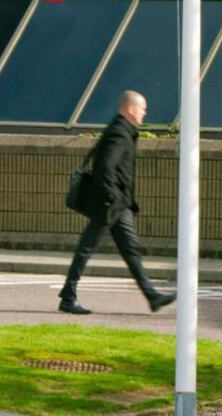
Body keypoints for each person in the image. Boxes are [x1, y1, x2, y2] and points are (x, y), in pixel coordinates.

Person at [58, 90, 176, 315]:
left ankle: (152, 296)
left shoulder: (122, 131)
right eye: (142, 109)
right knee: (87, 248)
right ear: (131, 110)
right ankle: (68, 297)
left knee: (129, 250)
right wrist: (113, 197)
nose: (144, 113)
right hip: (111, 204)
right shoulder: (119, 133)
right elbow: (105, 168)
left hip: (117, 205)